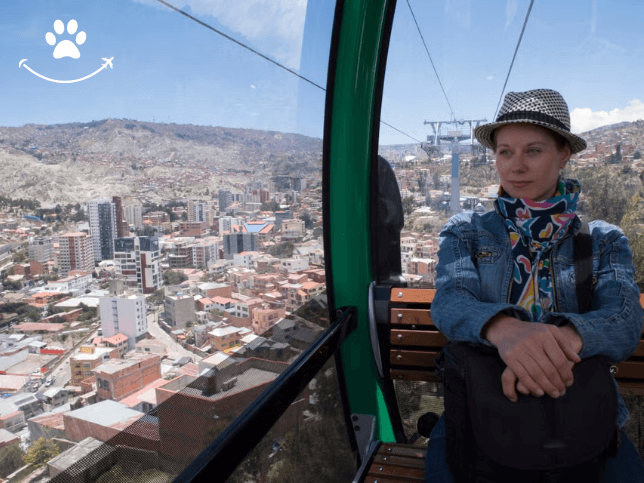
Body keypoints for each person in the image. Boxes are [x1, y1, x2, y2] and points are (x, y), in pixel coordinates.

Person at [425, 89, 644, 482]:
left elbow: (624, 319)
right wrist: (506, 330)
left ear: (563, 155)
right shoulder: (467, 232)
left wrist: (546, 351)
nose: (515, 167)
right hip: (480, 409)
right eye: (505, 152)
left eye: (533, 151)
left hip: (582, 414)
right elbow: (450, 300)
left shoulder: (604, 241)